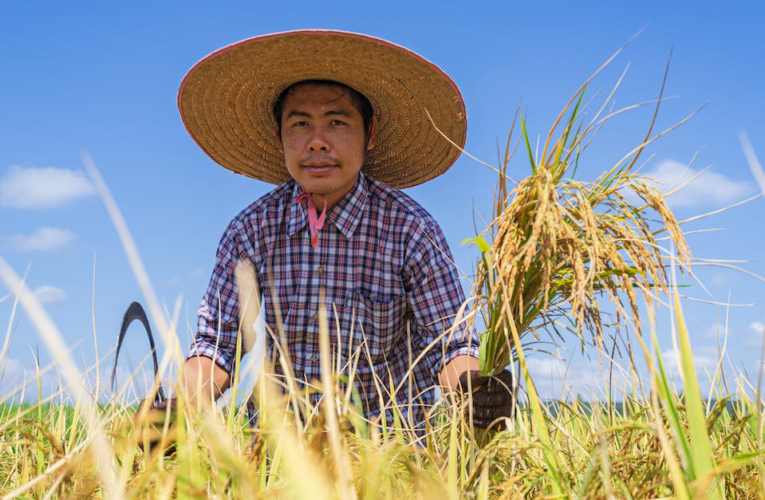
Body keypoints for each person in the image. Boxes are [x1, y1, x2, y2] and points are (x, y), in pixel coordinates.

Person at [170, 30, 513, 432]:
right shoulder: (252, 231)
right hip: (281, 452)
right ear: (280, 136)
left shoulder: (410, 230)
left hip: (388, 449)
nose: (317, 142)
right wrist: (179, 410)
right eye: (300, 124)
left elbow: (449, 345)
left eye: (336, 122)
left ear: (369, 135)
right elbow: (217, 345)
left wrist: (474, 389)